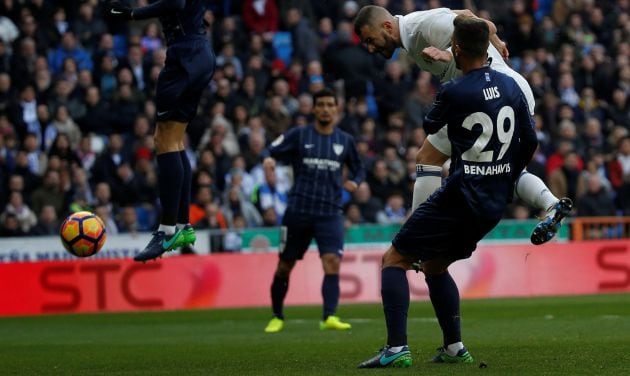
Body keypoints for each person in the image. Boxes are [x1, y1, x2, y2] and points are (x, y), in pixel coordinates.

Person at [358, 16, 538, 368]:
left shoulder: (453, 86)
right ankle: (454, 348)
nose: (370, 46)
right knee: (435, 266)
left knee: (394, 258)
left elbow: (430, 124)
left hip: (460, 194)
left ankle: (396, 349)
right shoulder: (511, 87)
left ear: (455, 48)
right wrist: (507, 176)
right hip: (492, 202)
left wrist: (447, 80)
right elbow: (529, 141)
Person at [353, 5, 571, 245]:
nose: (371, 48)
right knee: (504, 167)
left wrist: (450, 53)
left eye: (370, 40)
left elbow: (473, 25)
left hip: (488, 97)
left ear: (386, 26)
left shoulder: (424, 27)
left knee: (428, 158)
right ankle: (551, 204)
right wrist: (494, 39)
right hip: (513, 92)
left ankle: (418, 236)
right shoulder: (417, 25)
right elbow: (466, 14)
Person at [107, 0, 216, 261]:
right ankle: (183, 226)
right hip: (200, 54)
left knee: (164, 140)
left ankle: (166, 231)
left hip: (184, 56)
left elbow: (175, 3)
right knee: (175, 140)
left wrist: (133, 14)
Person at [263, 88, 366, 333]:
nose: (325, 109)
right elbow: (271, 150)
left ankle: (329, 316)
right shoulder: (299, 135)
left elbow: (359, 168)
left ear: (336, 109)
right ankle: (277, 315)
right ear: (314, 108)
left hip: (330, 212)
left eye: (330, 104)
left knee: (332, 262)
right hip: (298, 211)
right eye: (321, 105)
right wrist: (269, 160)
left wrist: (355, 182)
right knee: (284, 266)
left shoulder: (345, 140)